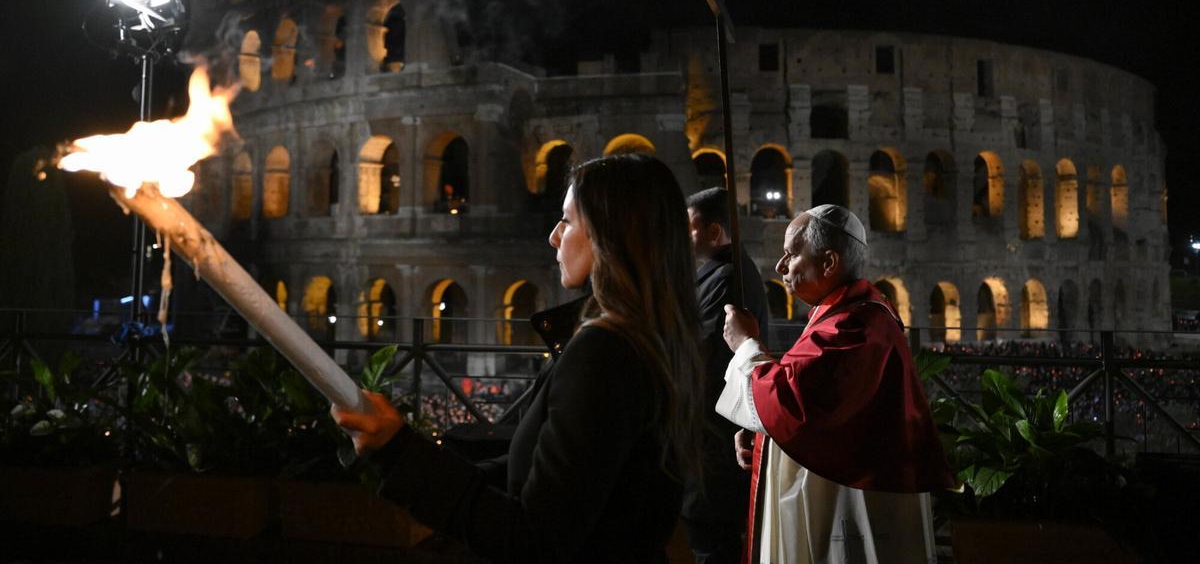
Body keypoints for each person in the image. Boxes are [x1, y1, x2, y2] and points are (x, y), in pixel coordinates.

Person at [333, 154, 706, 563]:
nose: (553, 236)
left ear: (609, 234)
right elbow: (534, 475)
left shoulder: (605, 353)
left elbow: (534, 540)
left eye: (567, 221)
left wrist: (400, 451)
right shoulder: (653, 337)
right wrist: (406, 451)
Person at [718, 205, 953, 564]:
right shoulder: (848, 314)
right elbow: (810, 406)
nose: (781, 266)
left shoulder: (853, 325)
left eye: (792, 253)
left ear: (829, 263)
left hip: (850, 502)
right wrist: (764, 435)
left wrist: (745, 346)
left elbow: (791, 402)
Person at [683, 187, 770, 563]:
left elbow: (697, 356)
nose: (683, 237)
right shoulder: (725, 271)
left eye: (690, 228)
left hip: (713, 445)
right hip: (715, 440)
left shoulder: (726, 277)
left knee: (713, 548)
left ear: (715, 233)